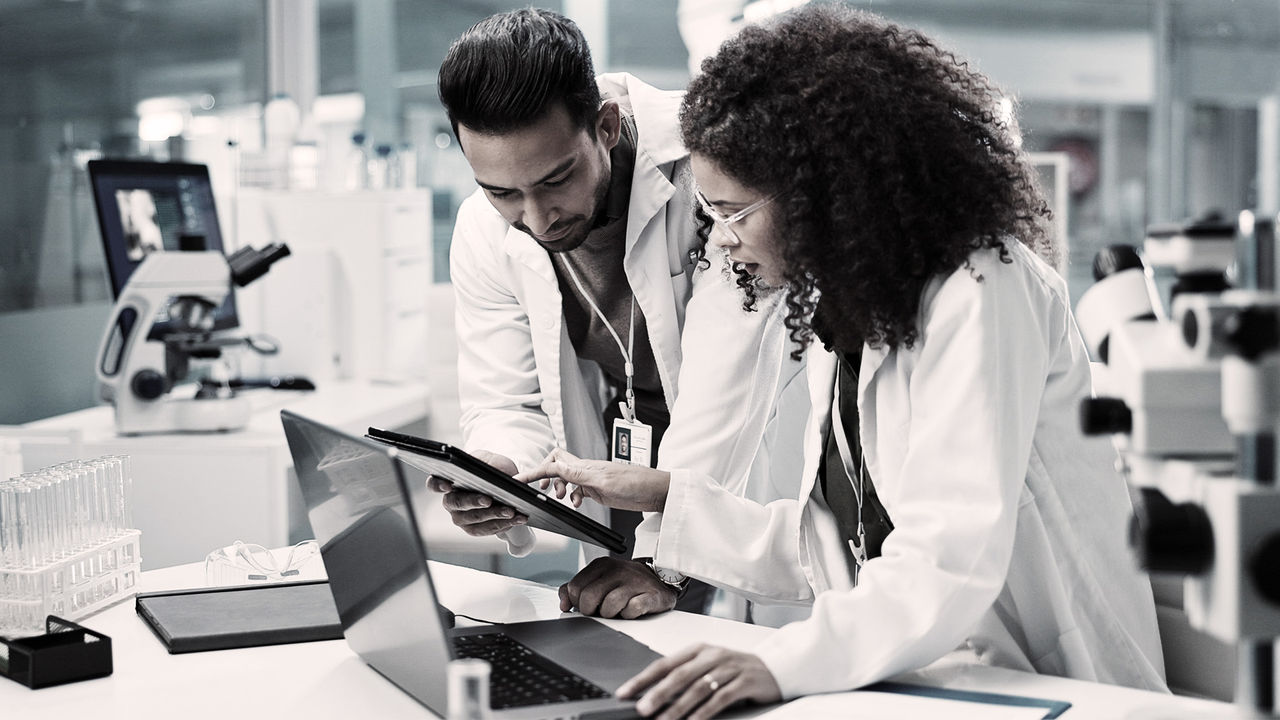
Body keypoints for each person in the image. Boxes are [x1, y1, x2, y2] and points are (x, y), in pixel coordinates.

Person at [519, 6, 1167, 717]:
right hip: (946, 677)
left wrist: (783, 662)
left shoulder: (984, 287)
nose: (722, 242)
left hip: (1055, 684)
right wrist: (664, 496)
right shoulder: (852, 313)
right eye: (709, 211)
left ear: (822, 197)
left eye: (733, 213)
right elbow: (835, 547)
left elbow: (945, 562)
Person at [432, 8, 809, 619]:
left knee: (764, 627)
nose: (537, 218)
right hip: (630, 447)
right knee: (632, 636)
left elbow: (730, 384)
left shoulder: (710, 167)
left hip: (754, 444)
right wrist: (500, 472)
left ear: (605, 125)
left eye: (557, 179)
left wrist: (664, 560)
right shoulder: (483, 229)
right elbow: (504, 399)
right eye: (502, 191)